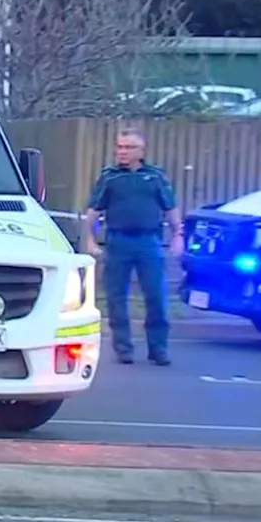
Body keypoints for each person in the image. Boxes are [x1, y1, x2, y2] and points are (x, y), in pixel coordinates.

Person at [82, 128, 182, 366]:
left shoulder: (155, 176)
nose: (122, 152)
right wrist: (89, 239)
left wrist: (178, 235)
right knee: (116, 298)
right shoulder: (110, 177)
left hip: (148, 241)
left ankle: (158, 348)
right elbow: (93, 211)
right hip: (118, 241)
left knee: (156, 297)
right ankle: (123, 348)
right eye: (119, 147)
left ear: (141, 151)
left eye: (128, 148)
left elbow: (170, 208)